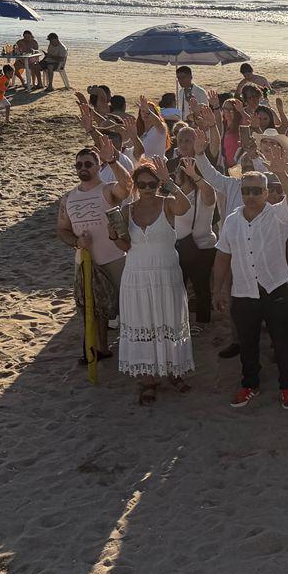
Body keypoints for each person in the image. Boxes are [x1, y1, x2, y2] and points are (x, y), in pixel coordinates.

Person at [214, 153, 288, 409]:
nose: (251, 195)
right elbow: (222, 256)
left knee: (283, 342)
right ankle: (249, 384)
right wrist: (218, 290)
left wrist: (282, 171)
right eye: (246, 191)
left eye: (256, 190)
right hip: (243, 291)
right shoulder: (232, 220)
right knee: (247, 342)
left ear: (266, 193)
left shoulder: (278, 216)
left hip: (276, 288)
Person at [115, 158, 195, 403]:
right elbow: (124, 245)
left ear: (158, 184)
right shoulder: (126, 210)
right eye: (142, 184)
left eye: (152, 184)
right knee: (144, 322)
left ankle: (174, 371)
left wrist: (169, 182)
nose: (148, 189)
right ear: (136, 185)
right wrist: (113, 236)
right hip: (136, 274)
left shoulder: (168, 204)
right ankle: (149, 378)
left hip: (165, 273)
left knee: (169, 319)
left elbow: (185, 207)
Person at [56, 138, 134, 361]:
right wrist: (76, 242)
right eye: (79, 164)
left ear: (98, 166)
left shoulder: (107, 190)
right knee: (93, 309)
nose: (83, 168)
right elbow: (62, 229)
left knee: (125, 305)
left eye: (88, 164)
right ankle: (100, 349)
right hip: (86, 261)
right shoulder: (68, 198)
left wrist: (113, 161)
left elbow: (127, 187)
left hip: (115, 257)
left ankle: (133, 347)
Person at [171, 148, 219, 334]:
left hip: (202, 247)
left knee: (201, 287)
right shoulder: (175, 194)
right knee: (179, 286)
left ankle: (202, 321)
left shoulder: (204, 194)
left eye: (177, 172)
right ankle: (181, 320)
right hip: (180, 246)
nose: (175, 175)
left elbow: (210, 193)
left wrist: (196, 176)